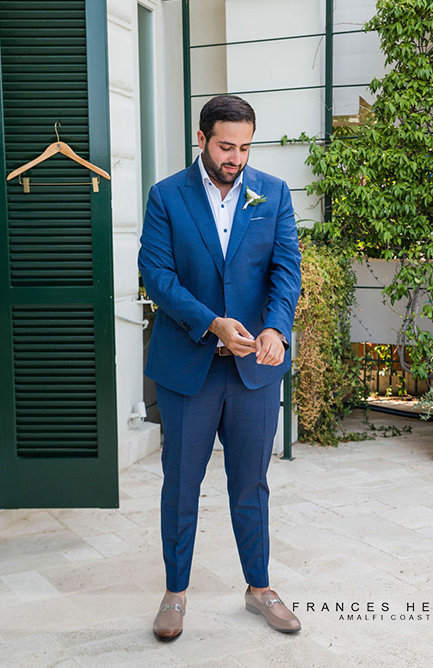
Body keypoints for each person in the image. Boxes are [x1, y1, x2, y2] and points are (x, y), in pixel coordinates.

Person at [139, 95, 303, 640]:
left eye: (244, 147)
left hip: (255, 367)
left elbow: (286, 270)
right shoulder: (166, 196)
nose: (236, 157)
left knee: (251, 485)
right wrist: (212, 323)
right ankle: (175, 593)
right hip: (190, 366)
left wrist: (275, 328)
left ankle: (260, 589)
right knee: (181, 485)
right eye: (226, 146)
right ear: (203, 140)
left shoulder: (274, 192)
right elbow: (158, 276)